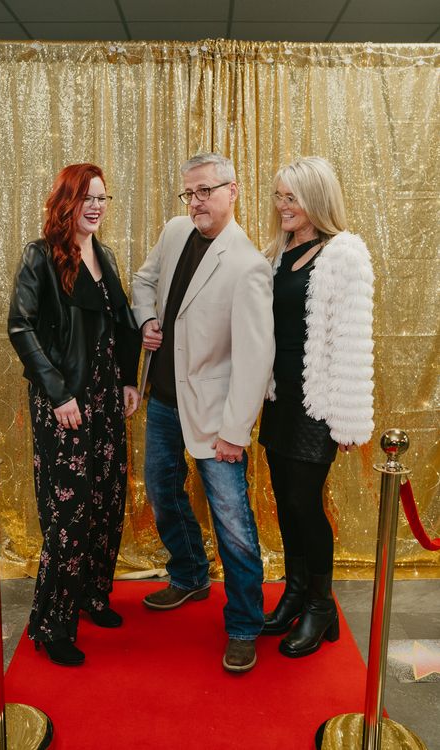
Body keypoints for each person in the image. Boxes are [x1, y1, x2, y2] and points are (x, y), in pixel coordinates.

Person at [132, 153, 274, 673]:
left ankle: (244, 625)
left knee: (233, 523)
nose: (195, 202)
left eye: (206, 191)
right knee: (161, 490)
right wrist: (146, 318)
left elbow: (255, 359)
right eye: (189, 193)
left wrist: (235, 432)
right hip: (164, 401)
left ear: (232, 191)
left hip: (216, 418)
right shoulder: (175, 232)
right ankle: (190, 574)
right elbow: (143, 281)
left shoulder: (248, 265)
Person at [8, 163, 141, 666]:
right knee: (70, 512)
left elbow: (118, 324)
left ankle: (92, 594)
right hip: (66, 403)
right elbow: (20, 327)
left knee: (107, 499)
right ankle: (52, 623)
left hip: (106, 398)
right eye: (87, 197)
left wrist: (129, 380)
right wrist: (58, 392)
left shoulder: (105, 255)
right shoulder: (40, 256)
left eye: (103, 198)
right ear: (66, 202)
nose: (96, 206)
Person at [259, 156, 374, 657]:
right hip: (278, 396)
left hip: (318, 403)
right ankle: (296, 591)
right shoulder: (277, 252)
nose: (283, 206)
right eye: (279, 196)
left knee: (304, 502)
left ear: (317, 200)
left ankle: (321, 605)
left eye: (293, 197)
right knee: (285, 501)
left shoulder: (344, 254)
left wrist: (348, 418)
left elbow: (352, 340)